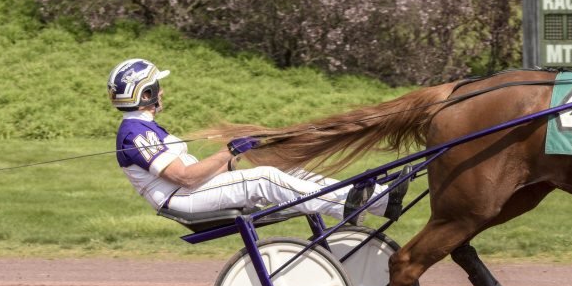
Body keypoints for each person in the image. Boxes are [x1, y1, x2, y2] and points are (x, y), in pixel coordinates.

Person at [108, 58, 396, 222]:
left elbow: (196, 175)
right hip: (181, 199)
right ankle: (347, 204)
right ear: (145, 94)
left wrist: (234, 158)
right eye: (157, 88)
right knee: (265, 178)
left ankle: (380, 199)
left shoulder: (145, 129)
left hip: (191, 191)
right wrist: (227, 151)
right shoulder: (136, 133)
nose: (163, 93)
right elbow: (184, 177)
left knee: (287, 172)